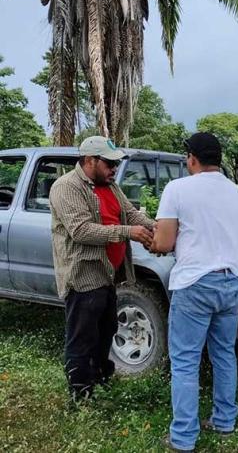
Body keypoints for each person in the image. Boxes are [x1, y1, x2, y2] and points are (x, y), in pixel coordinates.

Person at [150, 133, 238, 452]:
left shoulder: (178, 189)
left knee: (185, 360)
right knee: (223, 353)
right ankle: (224, 419)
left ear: (191, 158)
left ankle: (183, 436)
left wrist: (150, 238)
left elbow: (163, 243)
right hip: (232, 282)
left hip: (195, 283)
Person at [49, 136, 154, 403]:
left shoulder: (109, 185)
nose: (114, 169)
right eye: (109, 163)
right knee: (82, 337)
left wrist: (157, 226)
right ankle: (81, 393)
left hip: (108, 274)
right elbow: (81, 230)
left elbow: (129, 213)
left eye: (116, 164)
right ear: (89, 160)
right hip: (84, 275)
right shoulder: (67, 187)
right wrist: (128, 232)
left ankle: (100, 378)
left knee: (105, 331)